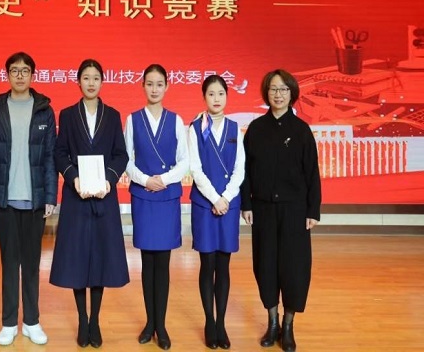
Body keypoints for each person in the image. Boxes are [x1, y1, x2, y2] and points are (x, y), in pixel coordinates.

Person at [49, 59, 129, 349]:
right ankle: (82, 319)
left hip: (104, 198)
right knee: (77, 260)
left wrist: (109, 179)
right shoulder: (68, 115)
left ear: (102, 81)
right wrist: (74, 179)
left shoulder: (113, 115)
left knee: (101, 260)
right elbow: (60, 153)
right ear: (78, 82)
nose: (91, 83)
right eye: (86, 78)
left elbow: (120, 155)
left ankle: (95, 319)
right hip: (77, 198)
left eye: (96, 78)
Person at [241, 69, 321, 352]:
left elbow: (312, 173)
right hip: (262, 209)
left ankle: (288, 326)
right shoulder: (256, 129)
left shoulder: (301, 131)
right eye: (273, 89)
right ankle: (272, 322)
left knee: (294, 268)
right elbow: (245, 171)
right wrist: (247, 204)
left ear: (292, 94)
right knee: (265, 266)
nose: (278, 94)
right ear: (266, 93)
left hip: (294, 211)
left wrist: (312, 210)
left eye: (283, 89)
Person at [0, 52, 57, 346]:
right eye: (14, 70)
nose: (20, 75)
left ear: (32, 75)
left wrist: (50, 195)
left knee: (32, 263)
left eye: (25, 70)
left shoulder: (44, 110)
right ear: (7, 75)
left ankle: (32, 321)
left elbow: (50, 157)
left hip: (35, 200)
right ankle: (8, 322)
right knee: (9, 263)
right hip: (6, 200)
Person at [124, 64, 189, 350]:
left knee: (162, 263)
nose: (154, 89)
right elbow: (126, 158)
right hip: (143, 195)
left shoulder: (176, 120)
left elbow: (184, 160)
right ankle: (149, 322)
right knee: (147, 262)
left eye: (159, 84)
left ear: (166, 87)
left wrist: (163, 179)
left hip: (166, 196)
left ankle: (160, 325)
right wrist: (144, 180)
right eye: (149, 84)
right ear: (143, 86)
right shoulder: (132, 119)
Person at [188, 75, 245, 350]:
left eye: (221, 93)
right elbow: (195, 168)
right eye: (211, 94)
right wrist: (214, 198)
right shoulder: (195, 128)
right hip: (204, 205)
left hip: (228, 205)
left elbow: (240, 169)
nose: (216, 98)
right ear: (204, 97)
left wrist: (226, 198)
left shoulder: (235, 128)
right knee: (207, 264)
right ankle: (209, 322)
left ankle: (221, 323)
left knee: (223, 265)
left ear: (227, 96)